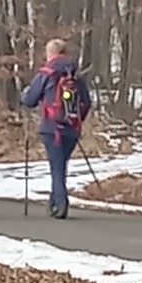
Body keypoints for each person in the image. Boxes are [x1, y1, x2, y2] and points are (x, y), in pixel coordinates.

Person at [22, 37, 91, 219]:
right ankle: (54, 202)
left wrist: (25, 93)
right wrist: (77, 120)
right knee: (60, 165)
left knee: (57, 166)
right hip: (72, 129)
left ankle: (61, 204)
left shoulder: (46, 73)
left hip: (51, 127)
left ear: (51, 54)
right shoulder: (76, 76)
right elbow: (87, 102)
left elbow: (29, 100)